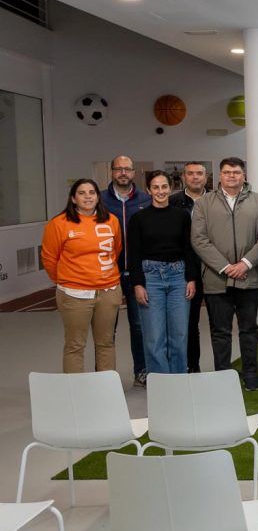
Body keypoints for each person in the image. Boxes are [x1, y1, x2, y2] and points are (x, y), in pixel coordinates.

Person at [191, 157, 258, 391]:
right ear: (219, 175)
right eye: (227, 172)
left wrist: (244, 264)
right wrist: (226, 267)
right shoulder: (204, 203)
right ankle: (223, 374)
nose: (231, 176)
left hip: (249, 277)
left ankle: (250, 374)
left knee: (249, 329)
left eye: (236, 172)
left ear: (244, 175)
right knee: (220, 331)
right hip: (217, 279)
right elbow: (199, 239)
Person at [42, 179, 123, 373]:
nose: (88, 196)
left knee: (106, 343)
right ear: (73, 198)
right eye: (81, 193)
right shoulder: (59, 223)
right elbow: (49, 258)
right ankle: (76, 387)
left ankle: (105, 386)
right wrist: (68, 280)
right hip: (74, 294)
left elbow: (116, 250)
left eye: (92, 192)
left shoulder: (111, 220)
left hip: (108, 291)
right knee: (75, 345)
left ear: (98, 197)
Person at [127, 171, 198, 375]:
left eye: (164, 187)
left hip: (178, 277)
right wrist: (138, 284)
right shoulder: (138, 218)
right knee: (154, 338)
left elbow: (189, 248)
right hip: (150, 278)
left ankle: (178, 381)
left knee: (179, 335)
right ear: (148, 190)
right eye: (155, 187)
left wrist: (191, 278)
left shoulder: (182, 216)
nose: (160, 191)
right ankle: (160, 383)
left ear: (170, 188)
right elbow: (134, 254)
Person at [100, 155, 151, 387]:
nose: (123, 173)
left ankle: (141, 370)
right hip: (108, 274)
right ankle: (103, 373)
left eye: (127, 169)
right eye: (118, 169)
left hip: (137, 273)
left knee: (139, 326)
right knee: (106, 327)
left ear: (133, 172)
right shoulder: (100, 200)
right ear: (112, 171)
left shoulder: (145, 200)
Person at [169, 161, 208, 372]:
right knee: (189, 323)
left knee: (218, 324)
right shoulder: (173, 202)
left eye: (199, 173)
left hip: (213, 268)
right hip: (185, 270)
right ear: (183, 176)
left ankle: (222, 369)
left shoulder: (216, 200)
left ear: (206, 177)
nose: (195, 177)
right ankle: (192, 367)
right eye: (190, 173)